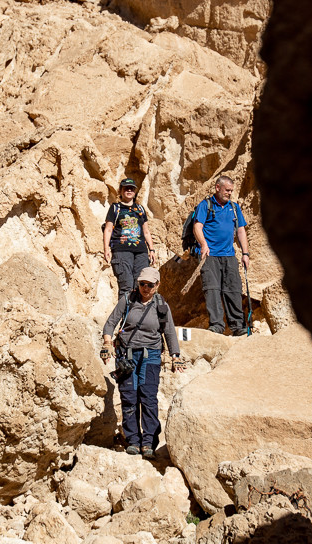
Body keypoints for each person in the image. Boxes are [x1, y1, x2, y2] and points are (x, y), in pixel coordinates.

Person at [100, 266, 186, 457]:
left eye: (150, 285)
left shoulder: (161, 305)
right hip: (127, 355)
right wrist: (107, 342)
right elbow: (110, 322)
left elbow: (169, 331)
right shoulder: (127, 300)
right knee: (129, 396)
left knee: (148, 398)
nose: (145, 288)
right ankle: (132, 441)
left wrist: (175, 355)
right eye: (142, 284)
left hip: (152, 355)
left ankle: (148, 443)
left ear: (157, 285)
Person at [192, 175, 250, 334]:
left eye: (231, 191)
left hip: (229, 255)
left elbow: (240, 231)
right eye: (227, 190)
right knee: (212, 289)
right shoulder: (206, 205)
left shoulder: (234, 207)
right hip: (209, 255)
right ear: (217, 188)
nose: (230, 193)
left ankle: (238, 326)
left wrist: (245, 253)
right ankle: (217, 326)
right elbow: (197, 226)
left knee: (233, 289)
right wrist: (204, 245)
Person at [103, 177, 157, 302]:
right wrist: (106, 248)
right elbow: (108, 229)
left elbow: (146, 231)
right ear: (121, 191)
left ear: (135, 191)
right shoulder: (115, 208)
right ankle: (126, 319)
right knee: (126, 285)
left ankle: (137, 318)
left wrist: (152, 249)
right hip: (121, 250)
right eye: (125, 188)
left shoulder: (140, 209)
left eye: (131, 188)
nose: (129, 190)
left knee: (142, 286)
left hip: (141, 252)